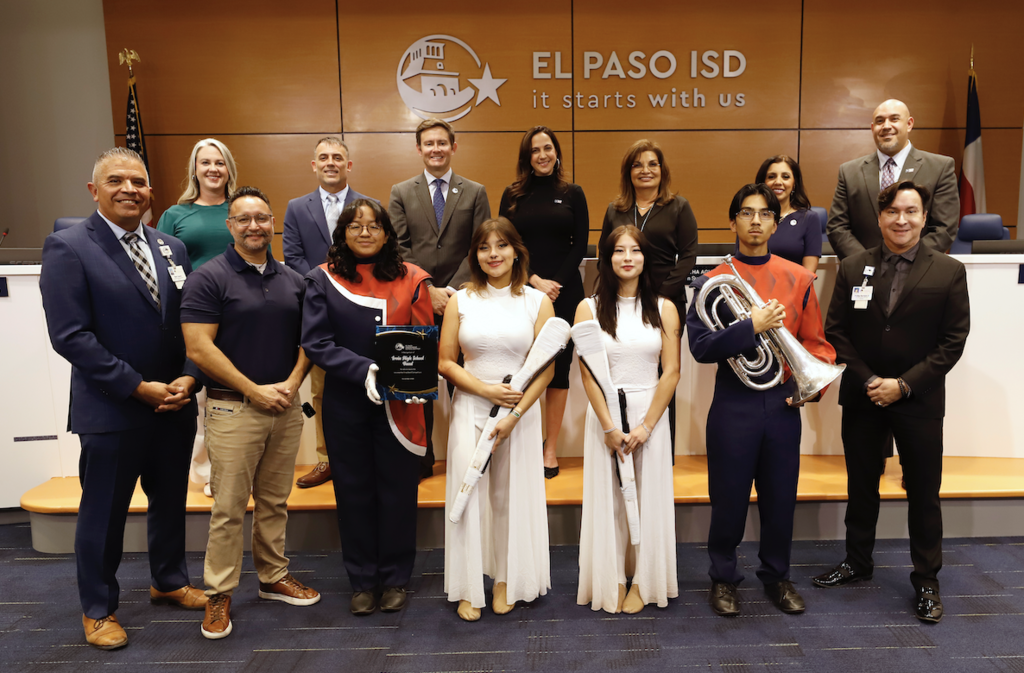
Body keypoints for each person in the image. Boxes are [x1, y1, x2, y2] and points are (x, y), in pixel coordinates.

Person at [40, 147, 205, 650]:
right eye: (116, 180)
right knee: (104, 512)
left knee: (170, 500)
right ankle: (98, 608)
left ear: (151, 192)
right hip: (113, 406)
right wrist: (135, 385)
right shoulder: (68, 247)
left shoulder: (171, 248)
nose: (129, 189)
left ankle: (169, 580)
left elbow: (188, 324)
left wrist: (189, 375)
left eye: (138, 181)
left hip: (173, 402)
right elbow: (70, 336)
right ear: (95, 190)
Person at [815, 181, 970, 624]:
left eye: (911, 211)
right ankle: (857, 562)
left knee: (923, 492)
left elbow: (952, 342)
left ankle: (926, 580)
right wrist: (870, 381)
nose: (901, 220)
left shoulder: (948, 271)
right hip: (864, 397)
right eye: (892, 212)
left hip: (918, 399)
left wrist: (902, 385)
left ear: (924, 217)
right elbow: (837, 331)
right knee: (861, 486)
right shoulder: (852, 267)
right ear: (880, 217)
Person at [687, 183, 837, 617]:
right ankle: (723, 578)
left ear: (775, 221)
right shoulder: (712, 280)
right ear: (732, 221)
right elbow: (700, 348)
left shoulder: (800, 277)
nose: (755, 221)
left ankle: (777, 576)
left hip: (782, 403)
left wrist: (809, 388)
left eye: (764, 214)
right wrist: (749, 326)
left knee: (779, 499)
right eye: (746, 213)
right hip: (734, 404)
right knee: (729, 498)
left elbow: (818, 345)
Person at [181, 186, 319, 640]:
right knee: (228, 507)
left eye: (262, 217)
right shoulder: (209, 277)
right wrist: (253, 390)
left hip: (284, 407)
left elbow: (310, 342)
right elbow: (198, 347)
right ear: (230, 225)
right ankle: (219, 593)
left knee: (275, 501)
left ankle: (272, 576)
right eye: (244, 219)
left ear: (272, 221)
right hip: (232, 408)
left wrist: (293, 382)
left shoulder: (293, 281)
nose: (254, 226)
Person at [301, 198, 433, 616]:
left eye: (374, 225)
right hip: (345, 402)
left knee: (397, 493)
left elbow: (422, 337)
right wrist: (366, 370)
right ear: (342, 233)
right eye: (355, 225)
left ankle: (395, 578)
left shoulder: (413, 278)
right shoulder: (321, 279)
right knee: (353, 492)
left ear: (387, 233)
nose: (364, 232)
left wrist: (414, 379)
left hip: (400, 407)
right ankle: (362, 579)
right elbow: (316, 343)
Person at [439, 217, 555, 622]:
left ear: (516, 251)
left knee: (508, 498)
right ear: (476, 255)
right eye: (485, 247)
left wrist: (514, 413)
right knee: (468, 497)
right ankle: (471, 586)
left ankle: (507, 579)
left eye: (502, 245)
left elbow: (546, 370)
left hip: (520, 417)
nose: (494, 254)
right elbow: (445, 362)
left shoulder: (538, 302)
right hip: (471, 407)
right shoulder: (461, 300)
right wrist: (485, 390)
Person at [575, 225, 680, 615]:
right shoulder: (588, 307)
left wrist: (647, 426)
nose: (627, 258)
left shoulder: (665, 307)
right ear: (607, 257)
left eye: (635, 250)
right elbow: (587, 372)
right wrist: (608, 427)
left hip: (648, 415)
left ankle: (644, 580)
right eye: (619, 250)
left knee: (648, 498)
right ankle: (612, 577)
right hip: (605, 417)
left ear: (645, 257)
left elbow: (670, 372)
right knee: (610, 500)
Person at [390, 118, 491, 479]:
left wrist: (454, 291)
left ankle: (478, 453)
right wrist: (428, 289)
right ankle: (422, 457)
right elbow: (399, 248)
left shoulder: (475, 191)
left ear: (453, 146)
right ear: (419, 149)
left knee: (468, 380)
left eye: (441, 143)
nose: (435, 149)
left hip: (466, 299)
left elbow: (483, 244)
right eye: (428, 144)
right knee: (420, 383)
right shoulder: (401, 192)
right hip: (417, 301)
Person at [283, 137, 374, 489]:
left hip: (361, 309)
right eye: (324, 157)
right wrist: (325, 292)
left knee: (365, 381)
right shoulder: (296, 207)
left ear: (349, 165)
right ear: (314, 165)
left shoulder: (368, 206)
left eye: (338, 157)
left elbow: (372, 257)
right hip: (318, 308)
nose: (331, 162)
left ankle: (362, 454)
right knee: (321, 390)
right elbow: (293, 258)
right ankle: (327, 458)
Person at [499, 126, 588, 479]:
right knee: (525, 365)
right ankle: (520, 441)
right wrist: (535, 280)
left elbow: (580, 245)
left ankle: (550, 449)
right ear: (527, 157)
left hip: (565, 292)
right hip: (523, 288)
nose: (542, 155)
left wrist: (556, 284)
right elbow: (506, 243)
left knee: (558, 370)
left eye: (547, 148)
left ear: (557, 152)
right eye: (535, 150)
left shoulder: (572, 193)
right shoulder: (512, 194)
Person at [157, 138, 239, 497]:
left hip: (237, 316)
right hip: (193, 315)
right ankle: (205, 472)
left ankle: (234, 469)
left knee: (233, 395)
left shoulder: (241, 208)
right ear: (195, 169)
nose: (213, 169)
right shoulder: (176, 214)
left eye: (219, 163)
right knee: (202, 398)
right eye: (205, 162)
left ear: (228, 169)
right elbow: (160, 269)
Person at [826, 99, 959, 259]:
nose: (886, 126)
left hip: (919, 273)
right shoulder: (849, 171)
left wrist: (906, 261)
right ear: (873, 128)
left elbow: (944, 228)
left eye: (894, 119)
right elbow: (837, 227)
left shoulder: (940, 167)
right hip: (864, 273)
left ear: (909, 124)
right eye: (880, 121)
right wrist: (866, 263)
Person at [599, 139, 698, 318]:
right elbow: (604, 255)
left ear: (662, 170)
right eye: (637, 165)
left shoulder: (679, 206)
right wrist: (617, 291)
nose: (645, 170)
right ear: (628, 172)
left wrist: (663, 295)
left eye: (652, 164)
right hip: (622, 300)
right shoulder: (614, 209)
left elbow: (688, 256)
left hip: (666, 299)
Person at [754, 155, 821, 273]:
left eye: (785, 177)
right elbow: (742, 264)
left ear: (794, 183)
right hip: (753, 289)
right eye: (771, 177)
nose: (778, 182)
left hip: (795, 289)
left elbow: (808, 274)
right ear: (763, 182)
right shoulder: (751, 218)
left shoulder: (809, 219)